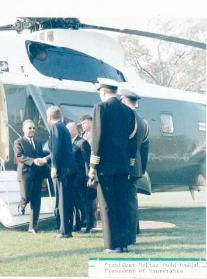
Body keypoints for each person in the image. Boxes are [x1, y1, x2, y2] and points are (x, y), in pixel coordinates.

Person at [88, 78, 137, 253]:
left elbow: (98, 139)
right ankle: (123, 244)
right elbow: (133, 140)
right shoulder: (128, 112)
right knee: (121, 203)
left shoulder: (100, 108)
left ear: (102, 92)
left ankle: (111, 245)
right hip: (123, 167)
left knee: (107, 205)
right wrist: (130, 163)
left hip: (106, 167)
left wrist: (93, 166)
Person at [120, 89, 149, 245]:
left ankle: (129, 235)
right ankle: (133, 232)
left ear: (124, 101)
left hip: (126, 165)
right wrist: (142, 169)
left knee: (126, 202)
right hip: (136, 167)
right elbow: (145, 149)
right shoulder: (143, 121)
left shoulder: (127, 119)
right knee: (131, 201)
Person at [42, 106, 75, 238]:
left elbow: (56, 149)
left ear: (49, 117)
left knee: (62, 201)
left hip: (62, 170)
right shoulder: (64, 128)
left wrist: (54, 167)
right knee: (67, 200)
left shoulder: (55, 128)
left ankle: (63, 231)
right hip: (69, 169)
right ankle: (68, 229)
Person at [14, 119, 46, 234]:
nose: (32, 130)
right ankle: (22, 205)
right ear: (24, 130)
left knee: (36, 200)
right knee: (26, 197)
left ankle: (33, 226)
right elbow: (20, 156)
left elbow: (41, 155)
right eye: (29, 128)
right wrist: (33, 161)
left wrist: (44, 160)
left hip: (37, 175)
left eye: (33, 128)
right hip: (25, 174)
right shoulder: (18, 142)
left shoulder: (38, 143)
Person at [66, 122, 91, 231]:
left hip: (80, 178)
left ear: (73, 130)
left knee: (83, 201)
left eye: (68, 130)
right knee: (75, 202)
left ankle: (88, 224)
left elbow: (87, 162)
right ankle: (78, 223)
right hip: (72, 178)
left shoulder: (82, 142)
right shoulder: (70, 143)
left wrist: (88, 177)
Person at [80, 114, 100, 230]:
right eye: (81, 124)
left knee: (94, 198)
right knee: (86, 197)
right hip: (84, 170)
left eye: (84, 123)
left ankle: (93, 223)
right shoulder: (82, 136)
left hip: (94, 169)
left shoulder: (95, 135)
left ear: (91, 122)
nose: (83, 126)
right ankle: (88, 221)